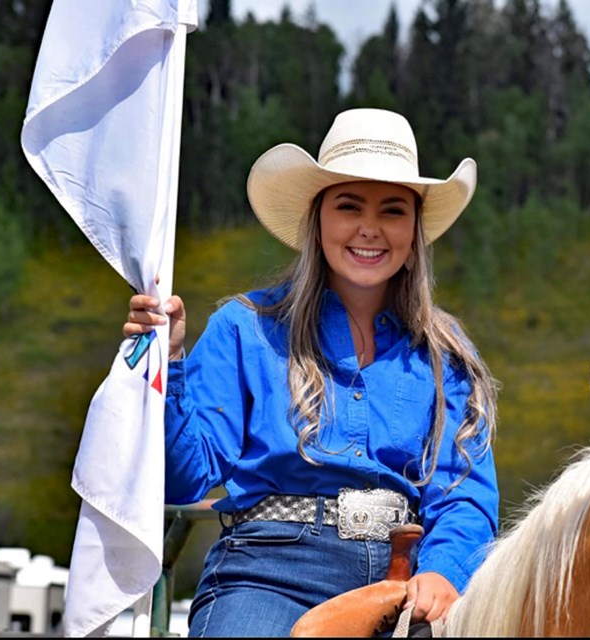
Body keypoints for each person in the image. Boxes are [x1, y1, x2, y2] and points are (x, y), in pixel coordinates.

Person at [123, 108, 500, 637]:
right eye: (349, 206)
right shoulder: (245, 329)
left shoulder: (447, 356)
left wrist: (443, 570)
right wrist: (172, 363)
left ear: (414, 233)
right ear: (317, 218)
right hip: (269, 571)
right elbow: (185, 474)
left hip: (402, 578)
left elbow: (463, 492)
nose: (370, 229)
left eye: (393, 211)